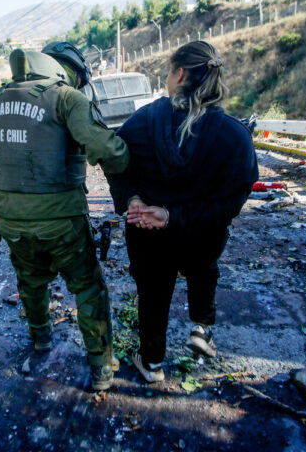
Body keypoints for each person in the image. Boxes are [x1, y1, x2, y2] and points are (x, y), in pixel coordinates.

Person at [0, 43, 129, 391]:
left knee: (31, 281)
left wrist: (10, 198)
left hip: (10, 220)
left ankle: (41, 340)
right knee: (87, 286)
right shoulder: (66, 98)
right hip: (61, 221)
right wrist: (128, 162)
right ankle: (101, 367)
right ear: (70, 70)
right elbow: (105, 149)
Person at [107, 41, 258, 383]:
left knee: (153, 291)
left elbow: (115, 160)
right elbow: (232, 200)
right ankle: (202, 328)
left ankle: (152, 362)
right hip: (201, 236)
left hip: (148, 233)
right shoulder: (235, 135)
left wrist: (131, 199)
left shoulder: (143, 120)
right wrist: (175, 215)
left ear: (178, 73)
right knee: (204, 267)